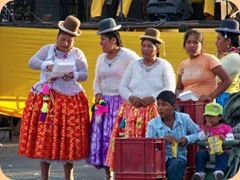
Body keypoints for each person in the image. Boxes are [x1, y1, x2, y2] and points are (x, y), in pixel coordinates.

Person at [18, 15, 90, 180]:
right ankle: (44, 176)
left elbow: (85, 75)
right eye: (63, 39)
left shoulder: (78, 54)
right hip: (48, 99)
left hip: (70, 99)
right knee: (46, 137)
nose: (65, 44)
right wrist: (47, 65)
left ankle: (68, 176)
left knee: (68, 138)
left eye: (69, 41)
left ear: (74, 41)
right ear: (57, 36)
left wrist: (74, 74)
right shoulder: (48, 49)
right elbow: (32, 62)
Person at [105, 28, 176, 170]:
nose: (146, 49)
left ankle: (152, 171)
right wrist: (131, 97)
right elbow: (122, 87)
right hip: (132, 111)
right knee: (130, 146)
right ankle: (130, 172)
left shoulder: (164, 66)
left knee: (152, 146)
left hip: (154, 112)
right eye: (144, 45)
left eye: (150, 46)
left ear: (157, 48)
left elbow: (169, 87)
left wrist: (154, 98)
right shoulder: (134, 65)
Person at [87, 18, 139, 180]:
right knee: (104, 139)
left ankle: (122, 173)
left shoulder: (129, 56)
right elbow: (97, 80)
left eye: (103, 39)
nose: (100, 43)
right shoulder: (101, 59)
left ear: (113, 39)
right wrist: (98, 94)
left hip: (122, 104)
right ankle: (109, 174)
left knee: (118, 138)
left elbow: (138, 75)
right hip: (104, 105)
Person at [146, 90, 200, 180]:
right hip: (159, 161)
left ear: (174, 106)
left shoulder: (184, 118)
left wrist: (187, 139)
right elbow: (149, 148)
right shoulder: (152, 124)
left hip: (179, 158)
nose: (159, 108)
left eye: (164, 105)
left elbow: (200, 133)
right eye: (158, 104)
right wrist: (162, 140)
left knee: (177, 164)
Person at [176, 29, 232, 103]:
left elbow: (227, 80)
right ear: (184, 45)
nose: (191, 45)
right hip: (187, 106)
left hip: (205, 107)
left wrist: (210, 96)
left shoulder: (209, 59)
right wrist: (179, 95)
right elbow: (179, 88)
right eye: (188, 42)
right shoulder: (183, 64)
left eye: (196, 42)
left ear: (201, 45)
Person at [192, 102, 234, 180]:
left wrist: (224, 139)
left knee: (223, 155)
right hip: (208, 150)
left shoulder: (226, 127)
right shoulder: (205, 128)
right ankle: (200, 172)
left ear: (220, 117)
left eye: (212, 116)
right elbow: (201, 138)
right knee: (200, 154)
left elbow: (231, 140)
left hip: (221, 150)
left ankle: (219, 171)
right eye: (207, 116)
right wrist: (206, 130)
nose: (209, 118)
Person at [215, 19, 240, 107]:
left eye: (218, 39)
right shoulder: (226, 56)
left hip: (226, 101)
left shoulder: (233, 58)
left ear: (228, 41)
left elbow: (213, 78)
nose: (215, 42)